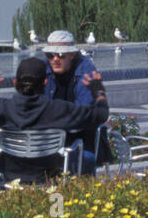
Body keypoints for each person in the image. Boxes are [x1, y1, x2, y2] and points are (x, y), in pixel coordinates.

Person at [0, 59, 108, 184]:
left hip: (10, 176)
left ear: (15, 82)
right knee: (87, 159)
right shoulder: (58, 109)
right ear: (45, 82)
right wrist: (98, 91)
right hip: (50, 176)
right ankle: (63, 209)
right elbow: (101, 114)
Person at [42, 30, 109, 172]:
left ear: (72, 55)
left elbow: (84, 110)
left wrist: (51, 116)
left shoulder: (86, 69)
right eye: (50, 55)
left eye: (60, 55)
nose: (55, 59)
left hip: (82, 138)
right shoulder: (44, 66)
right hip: (52, 136)